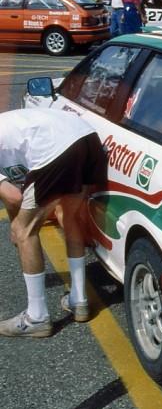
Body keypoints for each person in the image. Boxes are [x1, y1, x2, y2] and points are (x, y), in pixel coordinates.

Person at [0, 108, 107, 337]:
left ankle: (36, 317)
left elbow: (13, 196)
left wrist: (18, 229)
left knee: (24, 230)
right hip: (86, 138)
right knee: (69, 215)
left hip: (54, 150)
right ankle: (79, 300)